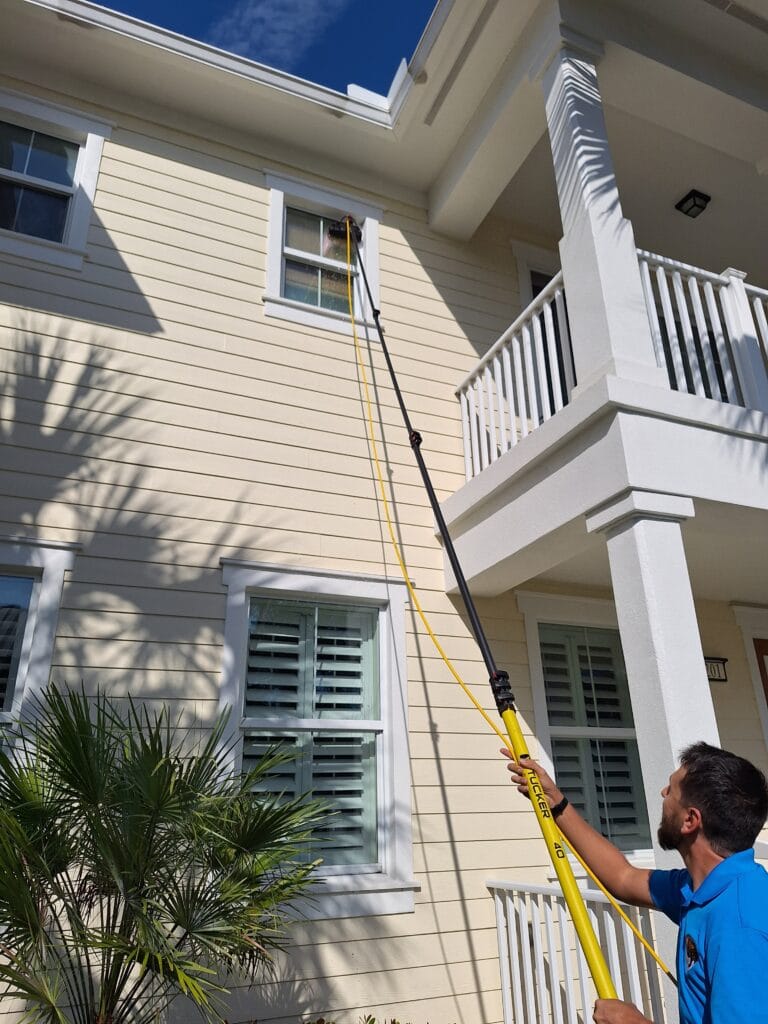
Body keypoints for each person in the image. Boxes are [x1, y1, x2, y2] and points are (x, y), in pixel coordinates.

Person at [502, 742, 768, 1024]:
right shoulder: (702, 887)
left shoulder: (740, 924)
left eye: (672, 790)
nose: (663, 793)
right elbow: (623, 877)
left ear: (690, 820)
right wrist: (557, 802)